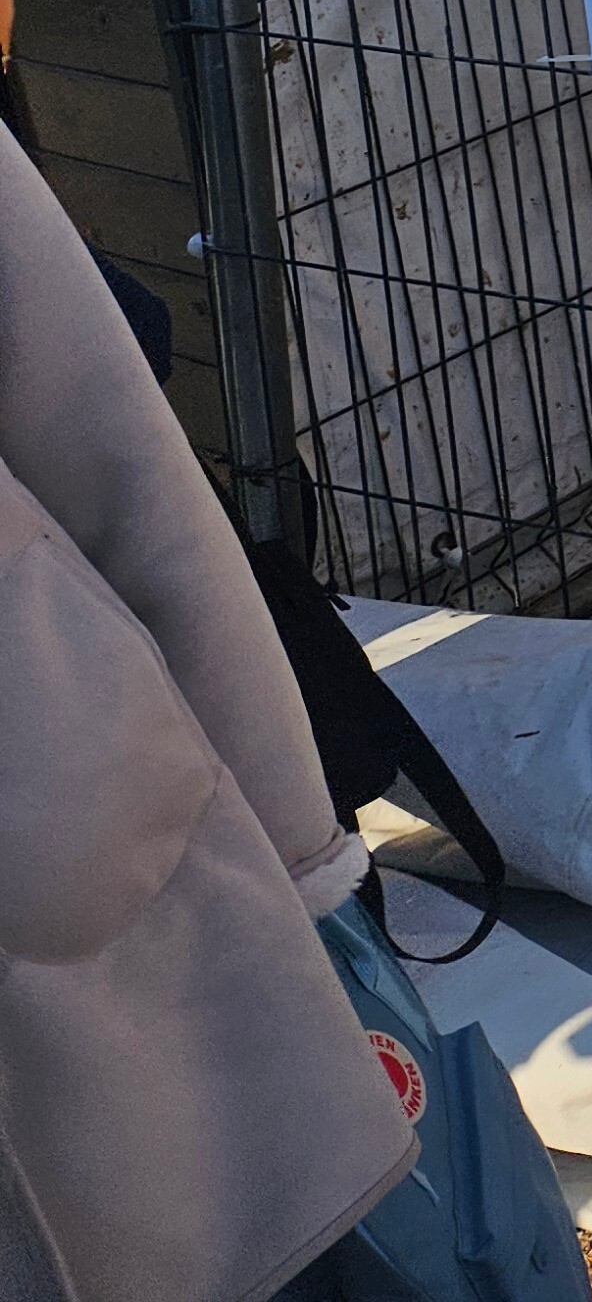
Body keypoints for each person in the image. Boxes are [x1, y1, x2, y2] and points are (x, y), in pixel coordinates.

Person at [0, 130, 420, 1299]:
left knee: (230, 1207)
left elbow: (124, 466)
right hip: (86, 840)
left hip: (85, 878)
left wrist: (303, 856)